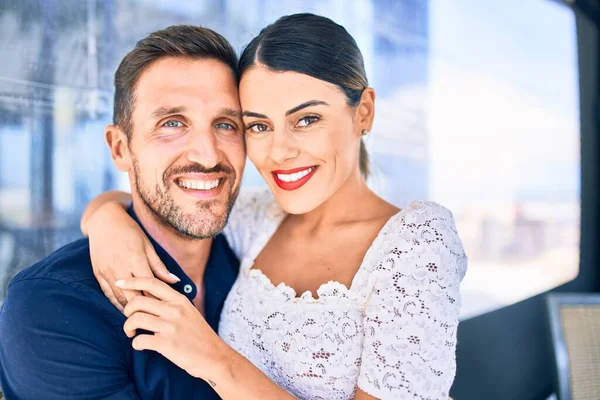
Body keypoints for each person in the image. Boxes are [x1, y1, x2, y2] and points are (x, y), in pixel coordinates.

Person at [83, 13, 468, 400]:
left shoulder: (417, 241)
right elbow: (162, 203)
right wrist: (107, 222)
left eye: (307, 119)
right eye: (258, 126)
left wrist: (214, 359)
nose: (280, 152)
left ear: (363, 111)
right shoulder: (256, 219)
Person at [0, 25, 248, 399]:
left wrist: (105, 212)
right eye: (172, 124)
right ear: (119, 148)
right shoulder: (51, 306)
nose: (208, 154)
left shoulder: (256, 256)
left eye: (226, 124)